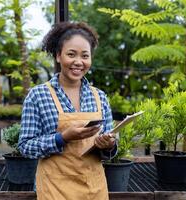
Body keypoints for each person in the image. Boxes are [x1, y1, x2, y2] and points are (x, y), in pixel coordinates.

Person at [18, 22, 117, 200]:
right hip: (55, 189)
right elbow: (25, 147)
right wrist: (62, 137)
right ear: (58, 56)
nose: (78, 62)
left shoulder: (100, 97)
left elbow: (110, 149)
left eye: (85, 56)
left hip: (93, 188)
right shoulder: (37, 95)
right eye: (71, 54)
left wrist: (109, 145)